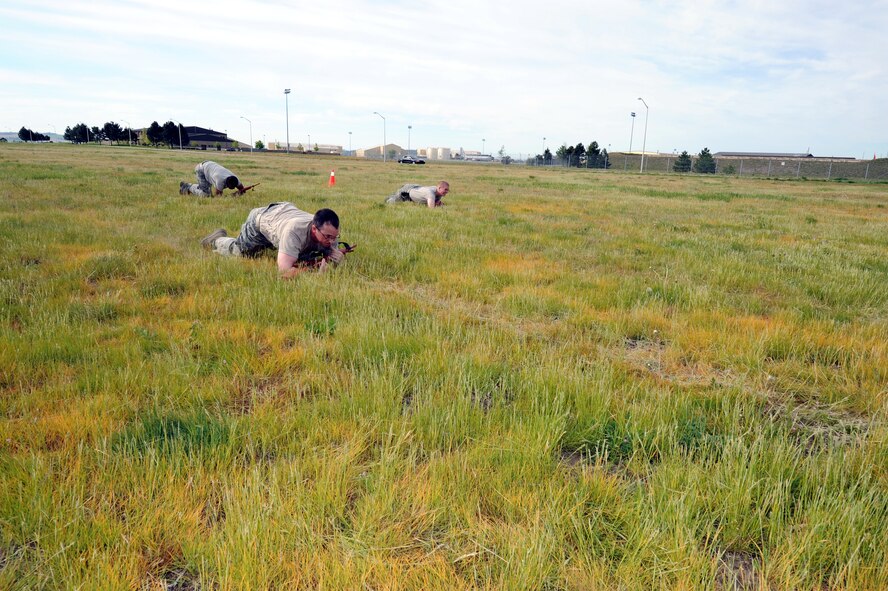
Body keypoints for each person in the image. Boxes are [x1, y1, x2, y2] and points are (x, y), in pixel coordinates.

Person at [200, 203, 345, 277]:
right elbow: (284, 270)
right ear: (314, 228)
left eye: (335, 237)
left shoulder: (328, 233)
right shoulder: (294, 232)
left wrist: (337, 260)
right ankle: (217, 240)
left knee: (303, 255)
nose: (332, 241)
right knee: (241, 252)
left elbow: (330, 255)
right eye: (328, 237)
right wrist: (314, 272)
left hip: (284, 213)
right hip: (263, 220)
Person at [180, 160, 246, 197]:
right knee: (206, 195)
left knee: (206, 189)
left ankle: (193, 187)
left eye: (234, 186)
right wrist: (231, 196)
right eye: (230, 187)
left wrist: (238, 193)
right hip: (201, 169)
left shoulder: (236, 179)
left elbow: (243, 190)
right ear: (226, 183)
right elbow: (218, 196)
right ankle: (187, 186)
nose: (233, 188)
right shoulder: (220, 180)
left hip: (210, 167)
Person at [385, 181, 449, 208]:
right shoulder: (430, 193)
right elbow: (431, 208)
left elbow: (436, 203)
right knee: (389, 202)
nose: (447, 191)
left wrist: (439, 204)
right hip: (407, 191)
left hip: (416, 188)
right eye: (445, 189)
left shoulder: (439, 193)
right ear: (439, 188)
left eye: (447, 190)